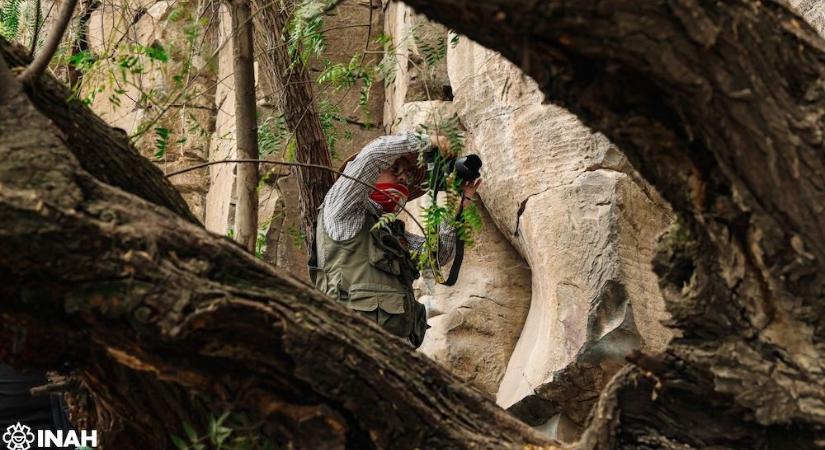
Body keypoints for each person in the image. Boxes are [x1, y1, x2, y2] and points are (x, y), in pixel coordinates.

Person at [309, 131, 481, 347]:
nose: (403, 179)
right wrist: (427, 141)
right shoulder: (341, 210)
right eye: (396, 169)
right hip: (352, 344)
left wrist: (456, 206)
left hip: (397, 350)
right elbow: (372, 156)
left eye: (408, 176)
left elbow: (436, 257)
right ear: (365, 176)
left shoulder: (389, 232)